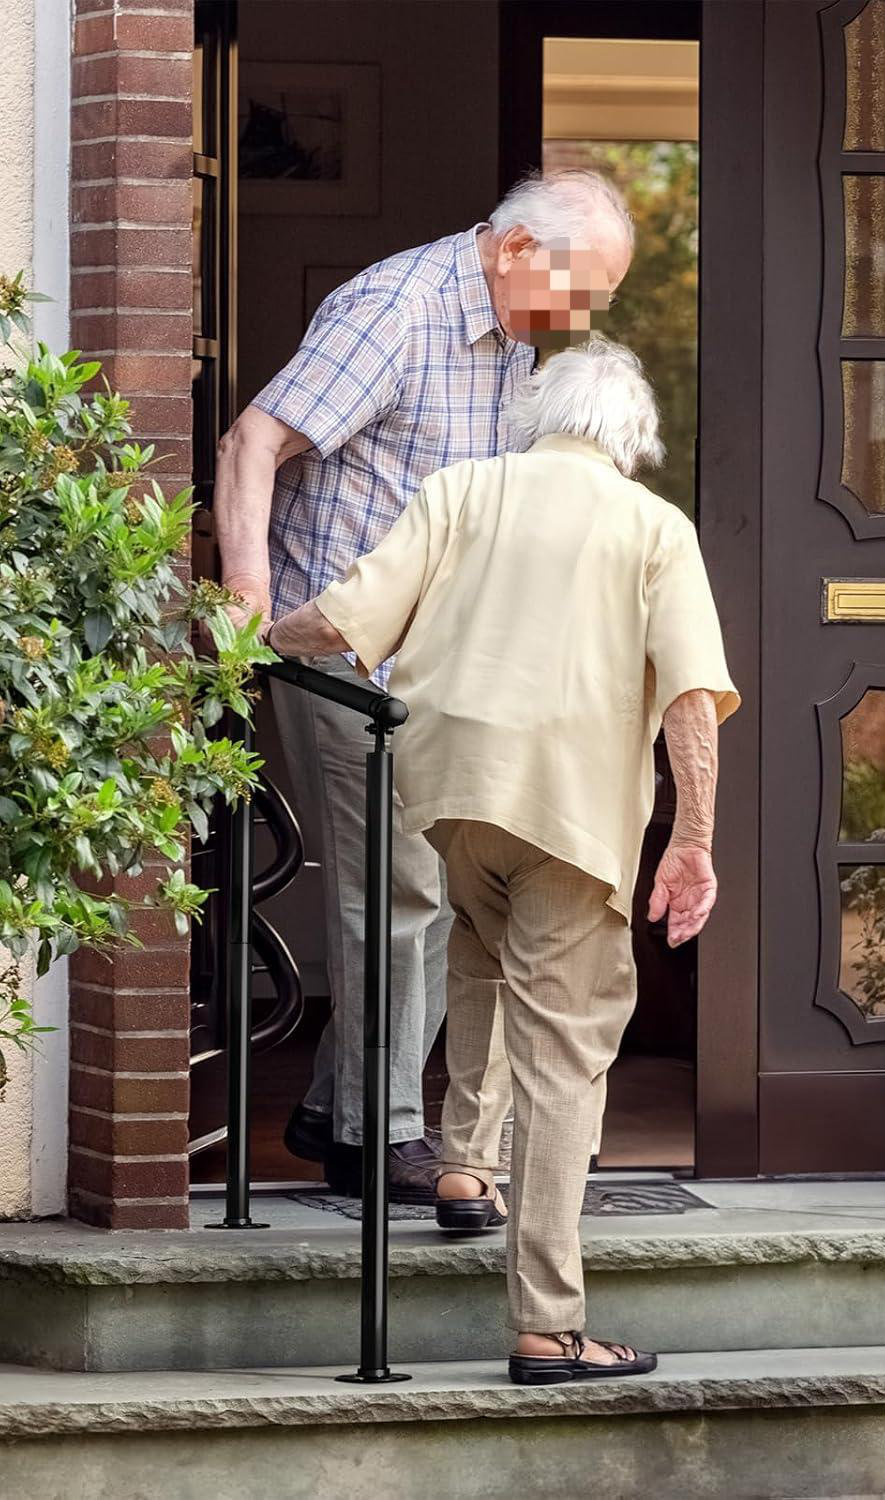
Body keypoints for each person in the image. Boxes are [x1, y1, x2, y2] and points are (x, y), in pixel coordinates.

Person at [265, 337, 738, 1383]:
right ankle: (549, 1323)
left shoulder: (459, 490)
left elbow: (341, 623)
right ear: (632, 443)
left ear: (538, 419)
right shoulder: (655, 527)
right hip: (569, 815)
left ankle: (468, 1168)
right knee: (567, 1061)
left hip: (452, 798)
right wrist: (694, 840)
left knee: (481, 961)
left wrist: (242, 632)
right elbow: (691, 698)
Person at [214, 170, 634, 1203]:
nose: (581, 318)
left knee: (433, 893)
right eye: (581, 292)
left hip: (436, 667)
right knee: (402, 895)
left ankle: (329, 1107)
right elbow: (253, 439)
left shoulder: (512, 337)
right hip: (345, 656)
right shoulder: (397, 313)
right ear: (517, 251)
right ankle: (380, 1132)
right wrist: (247, 594)